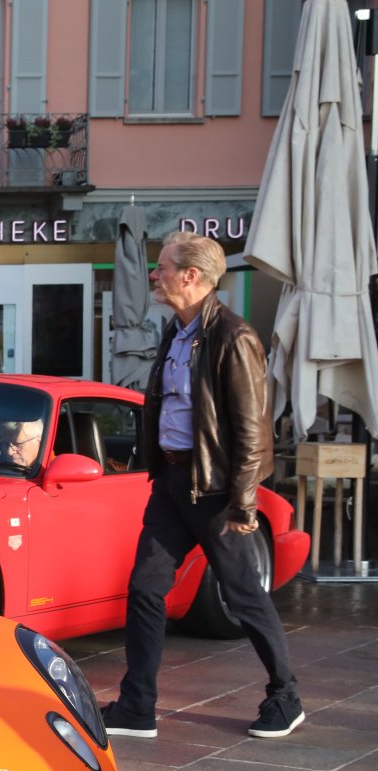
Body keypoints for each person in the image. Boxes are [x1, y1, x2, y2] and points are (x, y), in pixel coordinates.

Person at [101, 231, 300, 741]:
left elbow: (253, 430)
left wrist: (243, 503)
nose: (155, 274)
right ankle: (137, 706)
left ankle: (286, 697)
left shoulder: (234, 336)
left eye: (163, 267)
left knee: (242, 594)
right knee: (145, 589)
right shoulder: (176, 330)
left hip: (212, 489)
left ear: (191, 276)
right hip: (171, 482)